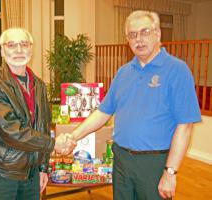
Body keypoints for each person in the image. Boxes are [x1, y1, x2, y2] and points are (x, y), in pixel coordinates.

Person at [59, 10, 201, 200]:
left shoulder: (177, 70)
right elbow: (102, 112)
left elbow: (185, 126)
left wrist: (170, 172)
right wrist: (73, 136)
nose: (139, 39)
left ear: (157, 34)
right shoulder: (123, 72)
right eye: (132, 35)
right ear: (127, 39)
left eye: (144, 32)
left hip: (154, 163)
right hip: (121, 160)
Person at [0, 27, 74, 200]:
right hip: (0, 173)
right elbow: (11, 132)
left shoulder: (39, 85)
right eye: (11, 45)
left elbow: (42, 126)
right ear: (2, 51)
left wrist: (42, 168)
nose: (19, 50)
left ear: (31, 49)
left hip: (31, 173)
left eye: (24, 44)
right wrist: (53, 144)